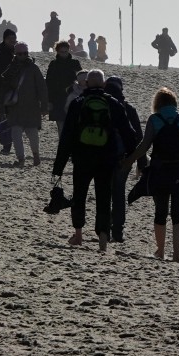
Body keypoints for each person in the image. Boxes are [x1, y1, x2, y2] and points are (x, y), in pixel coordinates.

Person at [53, 69, 135, 252]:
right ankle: (103, 238)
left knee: (79, 195)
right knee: (104, 197)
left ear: (87, 83)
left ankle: (78, 234)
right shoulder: (113, 103)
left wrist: (59, 166)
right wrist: (132, 158)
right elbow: (129, 133)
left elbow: (66, 136)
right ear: (104, 84)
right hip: (107, 159)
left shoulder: (78, 103)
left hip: (82, 158)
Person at [122, 87, 179, 261]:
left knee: (160, 211)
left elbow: (144, 146)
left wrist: (129, 160)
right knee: (178, 214)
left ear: (157, 103)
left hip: (160, 171)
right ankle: (176, 254)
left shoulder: (154, 119)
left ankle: (161, 251)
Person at [104, 76, 144, 243]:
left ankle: (104, 228)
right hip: (125, 159)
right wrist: (140, 162)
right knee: (119, 193)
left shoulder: (102, 105)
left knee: (104, 192)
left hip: (102, 156)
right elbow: (139, 137)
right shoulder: (129, 108)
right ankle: (118, 231)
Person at [0, 42, 48, 167]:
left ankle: (35, 155)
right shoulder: (11, 68)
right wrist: (1, 105)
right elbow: (3, 86)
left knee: (32, 132)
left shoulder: (33, 68)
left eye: (25, 53)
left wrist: (44, 106)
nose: (23, 56)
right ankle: (21, 159)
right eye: (20, 53)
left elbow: (42, 87)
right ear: (15, 53)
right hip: (15, 106)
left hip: (31, 106)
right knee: (16, 133)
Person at [45, 40, 82, 135]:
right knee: (61, 126)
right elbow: (48, 83)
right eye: (62, 52)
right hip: (57, 99)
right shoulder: (53, 64)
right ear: (57, 51)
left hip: (73, 97)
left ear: (69, 50)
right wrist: (49, 100)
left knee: (73, 124)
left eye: (66, 51)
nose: (64, 54)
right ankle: (63, 147)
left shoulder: (74, 63)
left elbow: (81, 79)